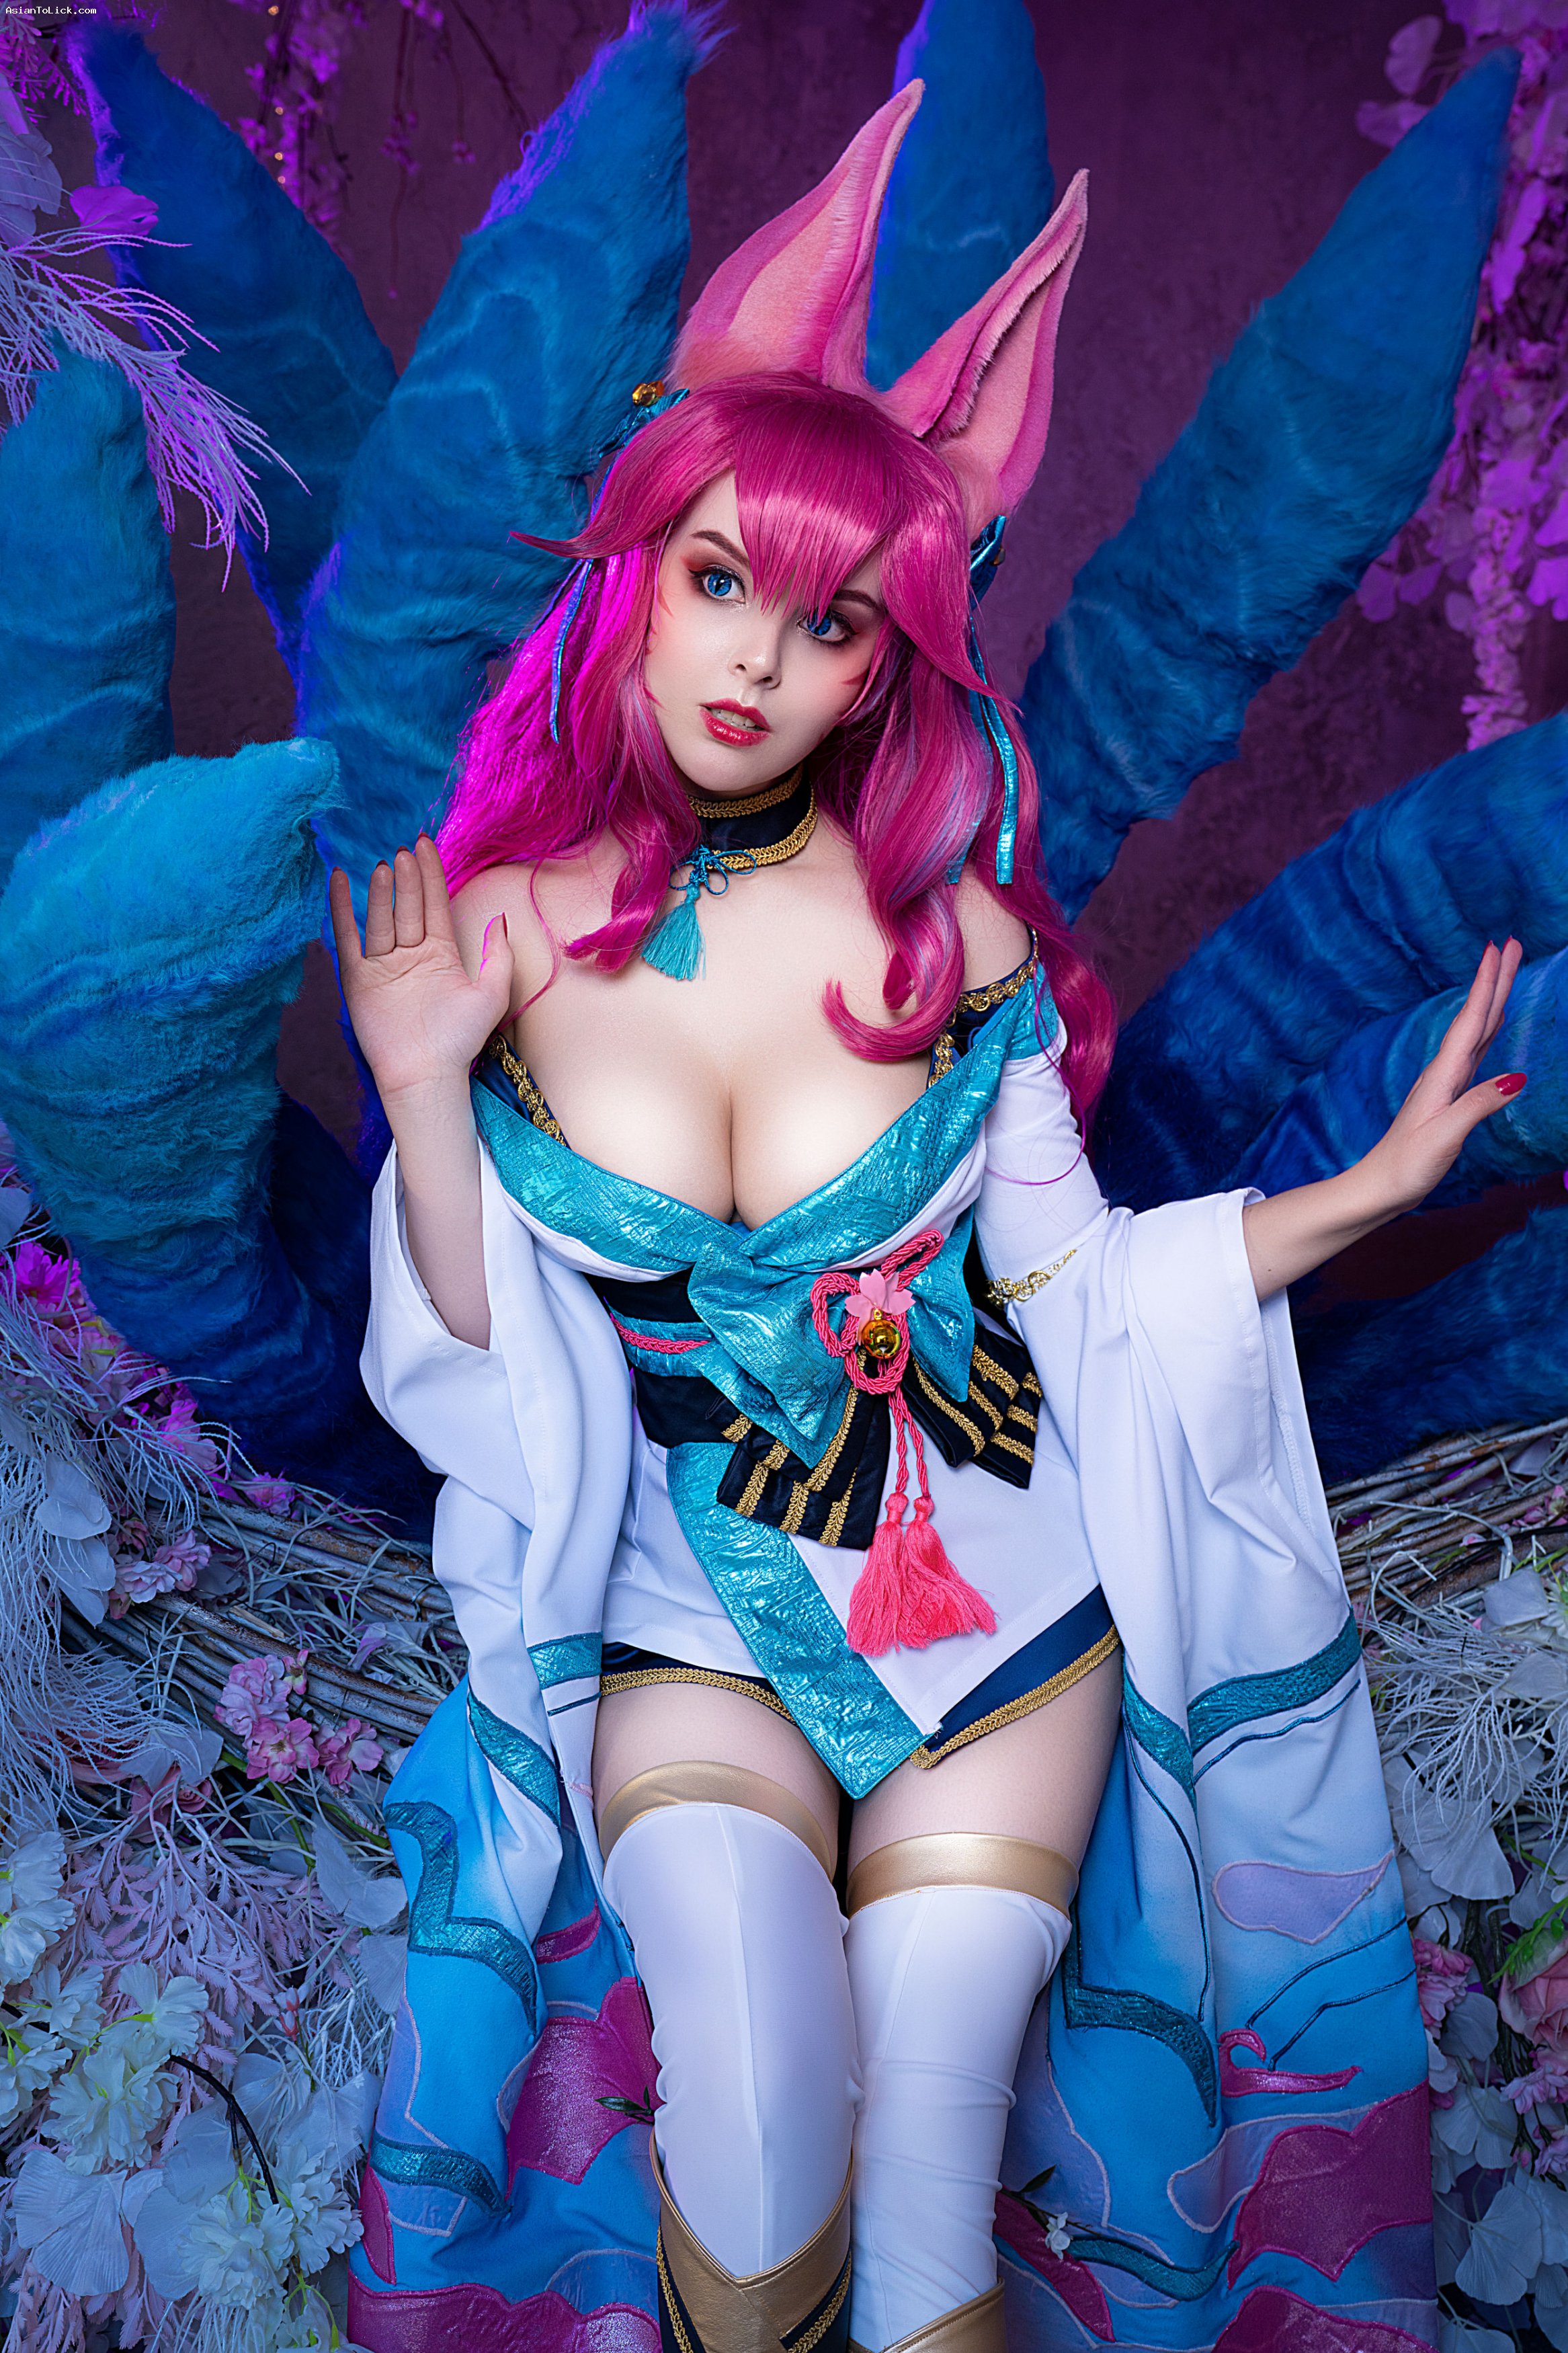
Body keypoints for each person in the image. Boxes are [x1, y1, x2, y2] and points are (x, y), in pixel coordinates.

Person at [339, 89, 1522, 2353]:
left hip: (999, 1618)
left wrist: (1364, 1195)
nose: (752, 663)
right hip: (691, 1615)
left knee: (920, 2242)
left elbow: (1080, 1287)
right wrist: (413, 1089)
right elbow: (482, 1375)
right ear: (641, 567)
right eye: (718, 582)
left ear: (888, 659)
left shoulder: (958, 944)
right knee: (756, 2126)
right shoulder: (496, 937)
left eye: (827, 622)